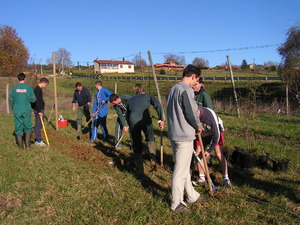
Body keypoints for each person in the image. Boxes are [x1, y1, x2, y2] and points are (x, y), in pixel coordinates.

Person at [166, 65, 206, 213]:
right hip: (184, 135)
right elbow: (190, 113)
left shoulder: (173, 89)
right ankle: (176, 203)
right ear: (193, 76)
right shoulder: (186, 90)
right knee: (181, 170)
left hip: (174, 133)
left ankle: (192, 196)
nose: (195, 84)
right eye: (196, 80)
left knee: (183, 168)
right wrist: (198, 125)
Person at [126, 84, 164, 174]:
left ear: (135, 91)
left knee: (137, 143)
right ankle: (153, 162)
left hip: (133, 121)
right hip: (145, 120)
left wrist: (129, 125)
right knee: (150, 139)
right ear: (143, 90)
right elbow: (158, 105)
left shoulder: (130, 99)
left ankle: (140, 169)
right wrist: (161, 119)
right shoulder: (148, 96)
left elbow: (127, 114)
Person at [193, 106, 232, 188]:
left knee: (218, 154)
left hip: (215, 133)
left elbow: (216, 136)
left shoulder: (209, 118)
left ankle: (226, 178)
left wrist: (208, 150)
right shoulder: (192, 115)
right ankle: (202, 177)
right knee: (198, 153)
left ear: (198, 111)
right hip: (201, 133)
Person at [9, 73, 37, 149]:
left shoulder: (14, 88)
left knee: (18, 127)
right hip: (26, 109)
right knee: (28, 126)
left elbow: (11, 100)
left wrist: (13, 108)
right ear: (25, 78)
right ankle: (28, 146)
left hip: (17, 109)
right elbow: (34, 99)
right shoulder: (28, 88)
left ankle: (21, 147)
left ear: (18, 79)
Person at [32, 77, 49, 146]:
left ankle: (36, 135)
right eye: (46, 85)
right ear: (43, 83)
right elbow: (37, 101)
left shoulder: (37, 89)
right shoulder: (37, 90)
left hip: (38, 109)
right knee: (38, 124)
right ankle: (38, 141)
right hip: (39, 110)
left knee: (39, 124)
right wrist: (39, 111)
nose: (45, 86)